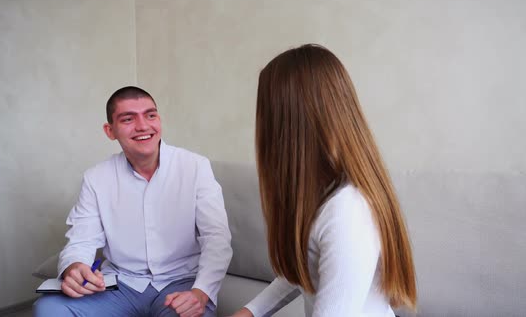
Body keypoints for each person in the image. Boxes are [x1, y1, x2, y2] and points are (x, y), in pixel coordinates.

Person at [231, 44, 417, 317]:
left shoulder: (347, 213)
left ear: (288, 126)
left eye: (266, 114)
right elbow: (305, 268)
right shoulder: (324, 196)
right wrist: (249, 312)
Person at [34, 86, 232, 317]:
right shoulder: (96, 178)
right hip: (121, 285)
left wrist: (201, 292)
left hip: (182, 284)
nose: (143, 126)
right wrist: (75, 267)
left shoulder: (195, 167)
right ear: (110, 131)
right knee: (49, 309)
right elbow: (82, 241)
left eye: (150, 115)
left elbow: (217, 239)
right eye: (128, 119)